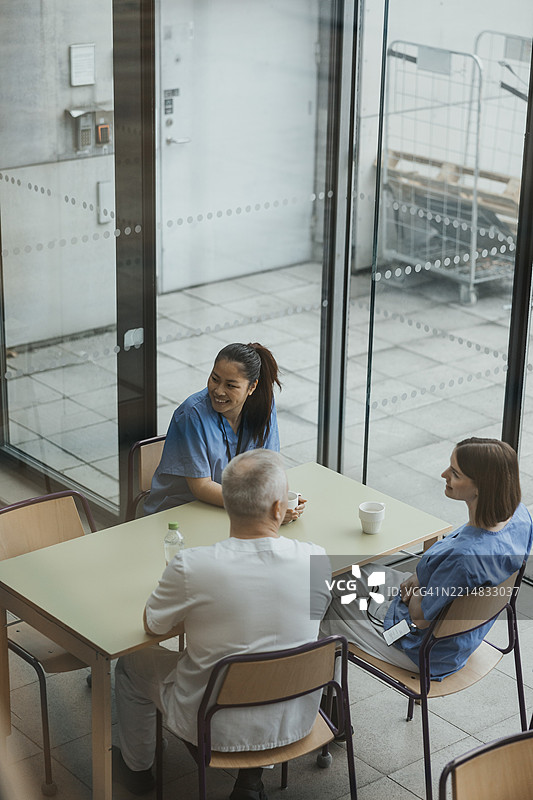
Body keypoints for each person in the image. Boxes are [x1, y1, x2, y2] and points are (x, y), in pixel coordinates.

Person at [114, 449, 331, 799]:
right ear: (280, 509)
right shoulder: (316, 559)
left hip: (212, 725)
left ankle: (137, 770)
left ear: (227, 505)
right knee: (275, 648)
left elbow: (153, 625)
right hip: (296, 718)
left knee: (128, 666)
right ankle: (250, 777)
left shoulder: (192, 566)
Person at [321, 437, 533, 679]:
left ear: (480, 487)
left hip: (423, 648)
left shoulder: (463, 559)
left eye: (455, 473)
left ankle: (315, 697)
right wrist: (422, 576)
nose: (444, 475)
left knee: (328, 609)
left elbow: (419, 618)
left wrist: (421, 588)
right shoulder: (519, 517)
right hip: (459, 638)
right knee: (337, 576)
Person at [144, 341, 305, 522]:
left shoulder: (264, 406)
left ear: (252, 387)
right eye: (215, 379)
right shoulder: (192, 414)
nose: (218, 391)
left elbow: (269, 471)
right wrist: (260, 508)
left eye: (230, 385)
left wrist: (279, 500)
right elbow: (202, 487)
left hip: (230, 509)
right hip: (178, 514)